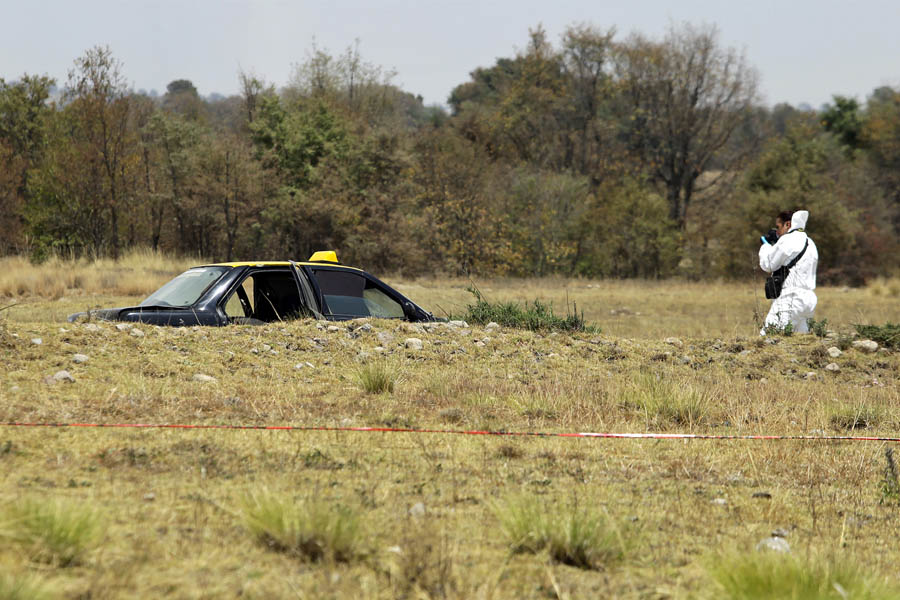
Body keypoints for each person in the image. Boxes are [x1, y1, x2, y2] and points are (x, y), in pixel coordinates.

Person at [758, 209, 819, 335]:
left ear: (788, 224)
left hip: (791, 298)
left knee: (769, 337)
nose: (778, 232)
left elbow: (768, 264)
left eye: (778, 227)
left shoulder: (789, 240)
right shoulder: (810, 242)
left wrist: (766, 244)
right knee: (799, 343)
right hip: (808, 299)